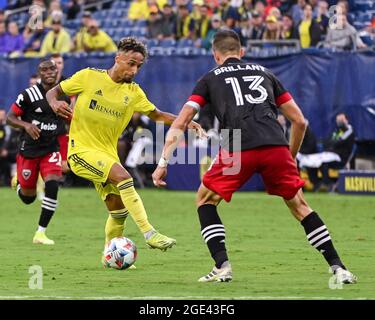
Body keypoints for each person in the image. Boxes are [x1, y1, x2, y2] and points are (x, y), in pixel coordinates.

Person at [152, 29, 357, 284]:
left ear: (215, 55)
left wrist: (162, 162)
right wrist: (289, 156)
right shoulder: (266, 73)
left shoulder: (209, 79)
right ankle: (339, 268)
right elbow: (300, 121)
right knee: (300, 206)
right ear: (242, 52)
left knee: (205, 199)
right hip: (275, 143)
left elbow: (180, 123)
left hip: (236, 142)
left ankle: (222, 266)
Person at [45, 37, 204, 258]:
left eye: (138, 65)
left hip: (107, 155)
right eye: (131, 63)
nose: (134, 69)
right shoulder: (88, 76)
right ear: (118, 58)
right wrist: (54, 103)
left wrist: (185, 121)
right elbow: (52, 92)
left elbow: (156, 115)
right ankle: (149, 233)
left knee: (118, 212)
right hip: (80, 152)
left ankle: (109, 256)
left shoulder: (134, 92)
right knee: (124, 177)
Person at [6, 59, 62, 245]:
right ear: (40, 74)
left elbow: (65, 123)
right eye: (44, 70)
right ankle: (19, 184)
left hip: (50, 149)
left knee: (53, 185)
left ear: (57, 70)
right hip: (29, 150)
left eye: (52, 68)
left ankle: (41, 233)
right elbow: (10, 117)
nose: (49, 72)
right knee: (28, 199)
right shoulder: (28, 95)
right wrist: (26, 125)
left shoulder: (63, 95)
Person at [301, 113, 355, 192]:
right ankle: (316, 182)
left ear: (346, 120)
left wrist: (332, 143)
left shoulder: (349, 131)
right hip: (330, 154)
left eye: (341, 120)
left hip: (340, 158)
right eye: (338, 120)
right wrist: (332, 143)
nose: (339, 122)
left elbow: (338, 142)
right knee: (312, 161)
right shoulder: (337, 130)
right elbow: (328, 142)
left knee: (323, 162)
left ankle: (328, 183)